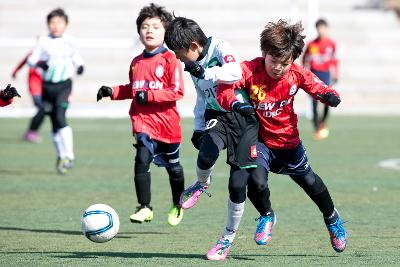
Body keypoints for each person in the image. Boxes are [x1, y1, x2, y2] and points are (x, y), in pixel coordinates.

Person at [217, 19, 347, 253]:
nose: (278, 67)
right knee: (255, 181)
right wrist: (235, 102)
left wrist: (330, 96)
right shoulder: (249, 70)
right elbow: (224, 88)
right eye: (274, 61)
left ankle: (332, 218)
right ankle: (267, 215)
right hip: (261, 141)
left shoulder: (296, 73)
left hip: (288, 142)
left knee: (310, 182)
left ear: (293, 60)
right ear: (264, 52)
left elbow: (318, 86)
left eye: (284, 63)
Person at [165, 17, 271, 260]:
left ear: (193, 45)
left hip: (243, 119)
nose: (179, 59)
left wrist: (206, 71)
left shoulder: (220, 47)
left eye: (179, 53)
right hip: (218, 116)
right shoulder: (193, 67)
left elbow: (234, 73)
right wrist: (198, 126)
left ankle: (227, 238)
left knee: (237, 185)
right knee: (207, 151)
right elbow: (202, 96)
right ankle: (202, 183)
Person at [96, 3, 185, 227]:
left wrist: (151, 95)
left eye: (155, 26)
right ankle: (144, 207)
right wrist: (112, 91)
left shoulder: (170, 60)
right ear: (139, 31)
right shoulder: (136, 62)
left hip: (167, 126)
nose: (149, 30)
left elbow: (177, 91)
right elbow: (133, 90)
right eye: (145, 26)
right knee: (141, 160)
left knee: (174, 170)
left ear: (165, 32)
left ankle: (178, 203)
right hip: (143, 122)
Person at [27, 8, 84, 174]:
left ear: (65, 24)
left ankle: (70, 155)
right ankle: (61, 156)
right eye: (52, 22)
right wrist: (39, 63)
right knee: (53, 123)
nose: (55, 26)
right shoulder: (43, 41)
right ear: (48, 24)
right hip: (47, 86)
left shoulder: (71, 41)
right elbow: (31, 60)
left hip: (64, 86)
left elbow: (77, 59)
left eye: (59, 22)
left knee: (60, 116)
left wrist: (80, 67)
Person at [303, 18, 338, 140]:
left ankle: (323, 121)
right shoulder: (312, 44)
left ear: (326, 29)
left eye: (323, 28)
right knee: (313, 102)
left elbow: (335, 60)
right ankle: (316, 127)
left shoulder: (331, 44)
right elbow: (305, 58)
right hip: (314, 75)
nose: (321, 31)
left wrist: (336, 74)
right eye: (319, 28)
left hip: (325, 74)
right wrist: (304, 71)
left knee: (328, 101)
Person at [12, 51, 44, 143]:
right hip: (35, 87)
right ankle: (31, 132)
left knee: (43, 110)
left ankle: (32, 132)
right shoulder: (32, 54)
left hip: (46, 87)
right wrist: (15, 72)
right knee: (42, 109)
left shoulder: (50, 53)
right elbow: (22, 62)